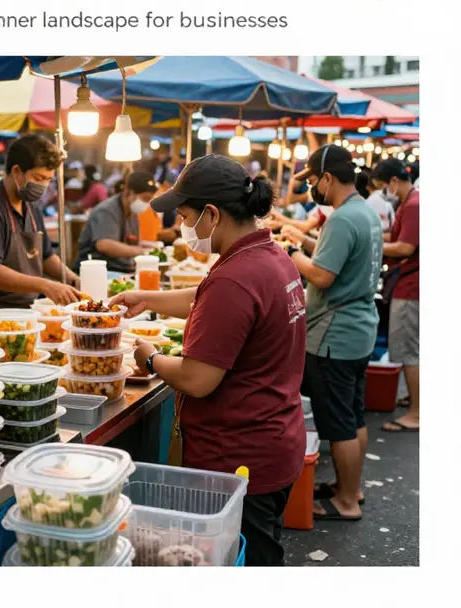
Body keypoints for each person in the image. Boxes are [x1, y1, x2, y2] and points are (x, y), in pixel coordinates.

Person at [113, 155, 306, 566]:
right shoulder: (269, 256)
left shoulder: (236, 276)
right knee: (261, 552)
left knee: (248, 564)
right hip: (274, 438)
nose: (183, 227)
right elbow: (205, 299)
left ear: (212, 214)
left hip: (240, 455)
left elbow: (198, 378)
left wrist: (150, 358)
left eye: (185, 216)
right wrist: (145, 299)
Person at [286, 145, 383, 522]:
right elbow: (337, 258)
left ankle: (346, 502)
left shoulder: (342, 219)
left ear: (327, 177)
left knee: (339, 422)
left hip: (335, 335)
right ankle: (351, 488)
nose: (314, 188)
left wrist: (292, 253)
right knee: (354, 415)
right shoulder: (365, 213)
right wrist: (307, 244)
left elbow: (323, 275)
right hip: (358, 330)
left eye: (313, 180)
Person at [0, 134, 81, 324]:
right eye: (38, 178)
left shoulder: (31, 207)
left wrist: (72, 278)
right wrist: (45, 285)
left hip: (26, 312)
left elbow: (46, 257)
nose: (43, 186)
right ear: (16, 171)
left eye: (48, 180)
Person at [372, 159, 420, 432]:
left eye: (382, 187)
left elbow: (403, 247)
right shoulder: (410, 202)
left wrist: (372, 241)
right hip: (409, 282)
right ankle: (417, 400)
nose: (383, 193)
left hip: (410, 285)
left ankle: (416, 413)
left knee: (407, 349)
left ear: (392, 181)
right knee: (413, 347)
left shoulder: (413, 205)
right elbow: (396, 235)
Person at [74, 171, 158, 273]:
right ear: (130, 193)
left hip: (121, 269)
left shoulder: (132, 213)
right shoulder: (107, 210)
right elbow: (104, 245)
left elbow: (132, 242)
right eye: (145, 199)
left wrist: (146, 247)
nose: (147, 204)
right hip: (98, 271)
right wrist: (141, 251)